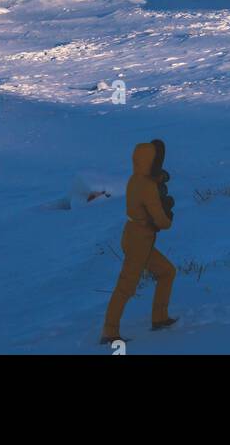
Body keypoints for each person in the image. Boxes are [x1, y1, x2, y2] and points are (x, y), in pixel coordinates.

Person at [101, 140, 177, 343]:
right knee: (126, 286)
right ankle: (110, 333)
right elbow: (161, 220)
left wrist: (159, 179)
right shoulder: (147, 187)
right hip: (139, 241)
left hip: (134, 235)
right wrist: (167, 215)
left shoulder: (135, 179)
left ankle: (159, 318)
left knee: (167, 272)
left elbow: (149, 183)